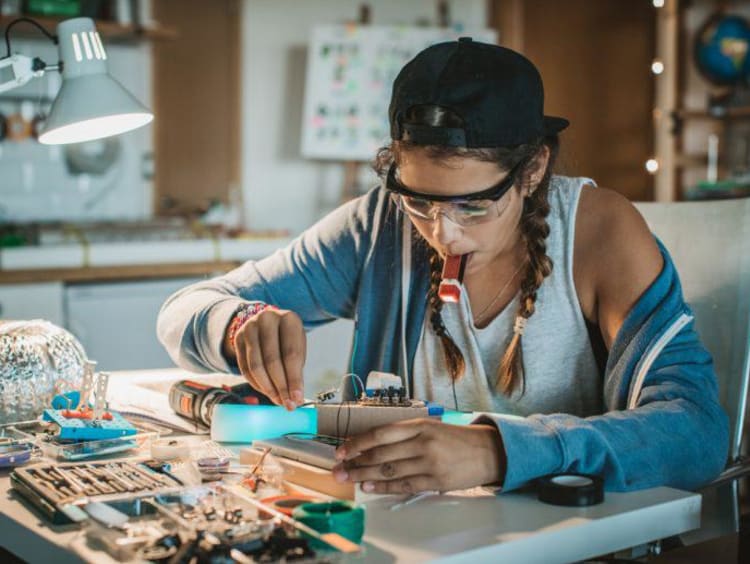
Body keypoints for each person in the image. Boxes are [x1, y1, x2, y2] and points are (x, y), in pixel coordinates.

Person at [158, 38, 728, 495]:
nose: (441, 231)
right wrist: (236, 326)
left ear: (532, 169)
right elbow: (182, 310)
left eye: (473, 205)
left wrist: (499, 450)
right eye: (419, 200)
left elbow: (697, 431)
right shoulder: (380, 224)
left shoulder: (600, 232)